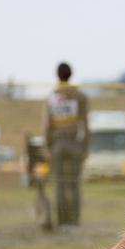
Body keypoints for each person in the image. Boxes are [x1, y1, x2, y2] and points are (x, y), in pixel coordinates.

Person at [43, 62, 89, 229]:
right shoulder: (80, 96)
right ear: (71, 74)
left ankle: (63, 222)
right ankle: (74, 222)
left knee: (60, 184)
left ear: (57, 75)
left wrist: (47, 147)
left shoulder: (52, 96)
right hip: (75, 143)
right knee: (74, 184)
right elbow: (85, 123)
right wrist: (85, 147)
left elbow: (47, 124)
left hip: (57, 144)